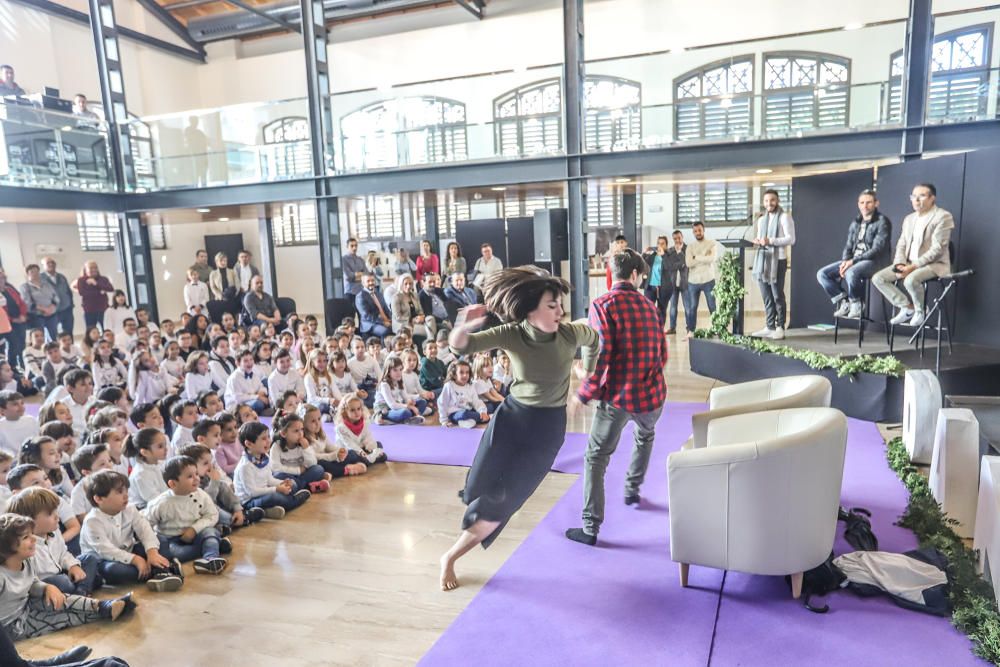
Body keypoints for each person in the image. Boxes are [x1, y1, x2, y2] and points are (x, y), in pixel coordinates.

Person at [439, 266, 599, 591]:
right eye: (551, 305)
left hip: (547, 429)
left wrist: (587, 373)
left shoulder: (570, 334)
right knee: (475, 488)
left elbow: (595, 339)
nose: (560, 311)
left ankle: (450, 557)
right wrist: (463, 324)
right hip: (512, 418)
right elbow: (461, 346)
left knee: (501, 503)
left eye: (559, 304)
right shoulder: (514, 333)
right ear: (530, 310)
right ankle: (469, 521)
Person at [566, 249, 668, 546]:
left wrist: (583, 392)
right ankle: (632, 489)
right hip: (652, 396)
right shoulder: (651, 306)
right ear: (635, 275)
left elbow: (602, 356)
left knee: (596, 458)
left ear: (612, 273)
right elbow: (662, 355)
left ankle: (590, 527)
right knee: (645, 436)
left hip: (619, 398)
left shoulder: (602, 305)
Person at [872, 183, 954, 328]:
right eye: (913, 196)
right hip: (908, 263)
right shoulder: (909, 219)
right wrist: (899, 264)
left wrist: (913, 267)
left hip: (934, 264)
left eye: (921, 196)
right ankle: (907, 307)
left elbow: (937, 250)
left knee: (910, 280)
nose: (916, 200)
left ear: (932, 198)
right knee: (878, 278)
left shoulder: (943, 216)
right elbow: (901, 244)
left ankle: (920, 310)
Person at [816, 189, 892, 320]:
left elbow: (877, 249)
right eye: (862, 203)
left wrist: (852, 262)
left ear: (876, 203)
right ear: (858, 204)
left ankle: (856, 303)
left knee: (851, 272)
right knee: (822, 274)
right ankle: (844, 301)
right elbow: (849, 246)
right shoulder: (855, 223)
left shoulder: (882, 221)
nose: (865, 206)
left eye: (868, 202)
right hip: (855, 261)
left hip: (875, 262)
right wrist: (846, 261)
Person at [144, 456, 228, 575]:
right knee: (174, 553)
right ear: (173, 483)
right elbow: (146, 524)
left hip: (196, 534)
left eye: (196, 474)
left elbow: (212, 514)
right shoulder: (161, 503)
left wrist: (194, 529)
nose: (196, 479)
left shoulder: (201, 495)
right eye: (190, 476)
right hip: (172, 540)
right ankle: (213, 545)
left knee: (209, 532)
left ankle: (210, 559)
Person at [751, 189, 796, 340]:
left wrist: (771, 241)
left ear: (777, 201)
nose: (769, 203)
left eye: (772, 200)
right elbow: (759, 238)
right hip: (763, 261)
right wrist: (758, 241)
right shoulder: (761, 220)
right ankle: (769, 326)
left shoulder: (784, 217)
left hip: (778, 261)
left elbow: (791, 239)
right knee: (767, 296)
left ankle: (780, 326)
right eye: (766, 201)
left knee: (777, 295)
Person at [685, 222, 718, 336]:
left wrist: (696, 257)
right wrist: (704, 256)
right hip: (693, 281)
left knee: (712, 306)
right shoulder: (690, 246)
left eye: (699, 230)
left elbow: (712, 259)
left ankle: (716, 328)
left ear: (704, 230)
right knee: (692, 307)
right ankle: (691, 331)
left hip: (708, 279)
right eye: (695, 231)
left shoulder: (711, 243)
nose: (698, 233)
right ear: (693, 232)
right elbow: (688, 263)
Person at [20, 265, 60, 343]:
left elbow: (56, 297)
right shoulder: (25, 287)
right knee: (39, 338)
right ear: (27, 274)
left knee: (54, 336)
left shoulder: (47, 284)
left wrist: (52, 307)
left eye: (37, 271)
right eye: (32, 272)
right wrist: (44, 309)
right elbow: (27, 303)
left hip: (51, 315)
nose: (35, 274)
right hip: (37, 317)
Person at [0, 268, 30, 370]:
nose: (1, 280)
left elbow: (21, 303)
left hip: (19, 321)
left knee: (21, 345)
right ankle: (11, 366)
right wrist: (13, 320)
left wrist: (23, 315)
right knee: (13, 345)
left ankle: (23, 364)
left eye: (3, 278)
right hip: (7, 324)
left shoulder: (10, 290)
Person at [72, 262, 114, 331]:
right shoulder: (81, 280)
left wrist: (96, 283)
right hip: (89, 310)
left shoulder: (103, 279)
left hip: (103, 309)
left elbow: (110, 288)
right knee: (91, 331)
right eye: (91, 268)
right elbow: (82, 293)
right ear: (86, 270)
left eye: (95, 267)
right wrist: (100, 291)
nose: (94, 269)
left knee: (107, 329)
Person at [391, 274, 430, 346]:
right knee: (421, 333)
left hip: (416, 321)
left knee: (430, 321)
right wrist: (411, 320)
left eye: (410, 284)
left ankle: (430, 343)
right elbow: (397, 317)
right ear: (401, 284)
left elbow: (420, 310)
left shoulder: (414, 295)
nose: (408, 286)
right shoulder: (396, 297)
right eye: (405, 284)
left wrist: (421, 316)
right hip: (402, 323)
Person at [40, 258, 74, 338]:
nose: (51, 264)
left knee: (68, 333)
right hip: (52, 312)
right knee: (52, 335)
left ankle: (69, 349)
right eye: (48, 263)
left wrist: (71, 304)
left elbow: (68, 291)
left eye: (53, 262)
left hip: (66, 310)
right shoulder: (40, 278)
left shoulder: (61, 277)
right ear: (43, 266)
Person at [355, 274, 392, 339]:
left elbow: (386, 308)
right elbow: (366, 315)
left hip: (385, 320)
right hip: (370, 324)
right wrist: (383, 322)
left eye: (372, 280)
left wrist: (392, 319)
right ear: (363, 283)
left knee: (400, 328)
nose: (371, 283)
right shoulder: (360, 296)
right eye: (368, 281)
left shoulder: (378, 293)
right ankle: (384, 349)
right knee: (385, 331)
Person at [184, 117, 209, 186]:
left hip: (201, 156)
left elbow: (205, 144)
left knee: (202, 174)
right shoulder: (188, 131)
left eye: (196, 121)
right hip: (194, 156)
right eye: (194, 121)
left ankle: (203, 186)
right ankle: (196, 185)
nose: (196, 123)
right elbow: (188, 142)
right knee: (195, 174)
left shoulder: (200, 133)